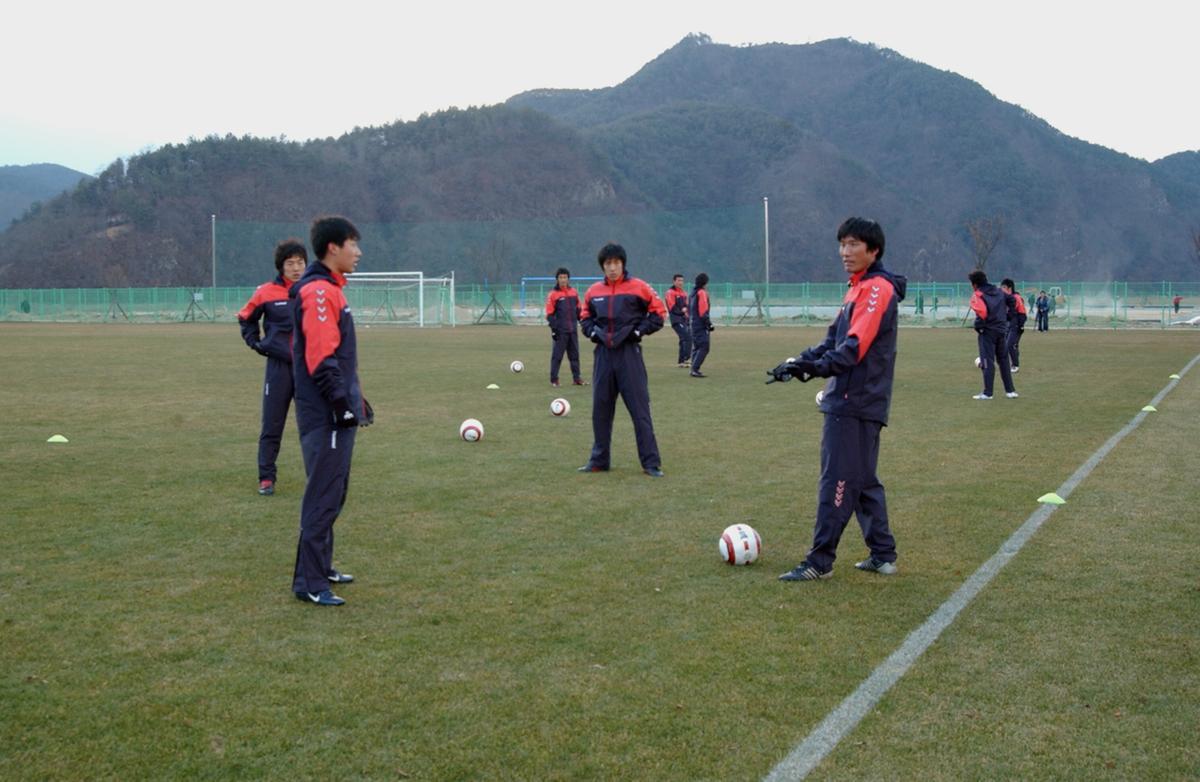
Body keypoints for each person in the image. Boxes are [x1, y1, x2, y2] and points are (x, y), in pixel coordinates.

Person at [768, 217, 905, 582]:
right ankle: (882, 553)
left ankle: (820, 561)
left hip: (855, 401)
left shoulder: (876, 289)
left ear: (873, 250)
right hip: (851, 399)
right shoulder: (855, 289)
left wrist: (815, 369)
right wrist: (798, 362)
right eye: (842, 244)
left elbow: (853, 349)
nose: (845, 252)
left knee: (837, 481)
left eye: (854, 244)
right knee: (861, 480)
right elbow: (832, 342)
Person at [289, 216, 373, 606]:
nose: (358, 252)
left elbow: (338, 356)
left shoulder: (331, 289)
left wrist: (356, 397)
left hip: (333, 407)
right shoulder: (320, 292)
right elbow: (321, 357)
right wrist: (340, 405)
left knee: (333, 492)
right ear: (333, 248)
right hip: (325, 413)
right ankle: (309, 582)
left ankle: (321, 567)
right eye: (353, 244)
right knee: (324, 494)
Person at [578, 243, 668, 478]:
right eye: (608, 264)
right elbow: (585, 319)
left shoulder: (639, 287)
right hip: (603, 357)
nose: (613, 268)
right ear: (602, 266)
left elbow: (659, 313)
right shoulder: (593, 292)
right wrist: (592, 333)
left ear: (623, 264)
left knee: (640, 410)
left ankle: (651, 463)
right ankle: (599, 460)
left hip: (629, 355)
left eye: (616, 263)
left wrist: (638, 332)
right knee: (601, 410)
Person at [237, 239, 307, 496]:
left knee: (310, 425)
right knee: (272, 424)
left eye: (300, 262)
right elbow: (245, 318)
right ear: (281, 266)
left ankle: (316, 476)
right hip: (278, 368)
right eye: (290, 263)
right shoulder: (266, 292)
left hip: (308, 370)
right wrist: (256, 343)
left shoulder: (313, 291)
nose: (296, 268)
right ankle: (266, 478)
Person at [969, 269, 1017, 400]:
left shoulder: (978, 295)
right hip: (1001, 329)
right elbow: (1013, 299)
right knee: (1003, 360)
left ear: (974, 284)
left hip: (988, 331)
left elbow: (982, 313)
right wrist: (1008, 316)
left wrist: (978, 326)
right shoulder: (999, 291)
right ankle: (1010, 391)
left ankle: (987, 392)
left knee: (987, 360)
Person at [545, 267, 586, 387]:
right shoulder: (553, 294)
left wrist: (583, 322)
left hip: (572, 330)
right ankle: (554, 380)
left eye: (565, 277)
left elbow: (579, 311)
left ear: (568, 279)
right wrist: (554, 329)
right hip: (560, 331)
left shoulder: (574, 292)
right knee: (557, 357)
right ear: (557, 279)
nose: (563, 280)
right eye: (561, 277)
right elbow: (549, 315)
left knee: (574, 356)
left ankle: (577, 379)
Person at [688, 273, 714, 377]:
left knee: (697, 347)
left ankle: (693, 369)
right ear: (705, 282)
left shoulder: (692, 293)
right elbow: (703, 311)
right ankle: (695, 369)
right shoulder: (702, 293)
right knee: (704, 347)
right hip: (700, 324)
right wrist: (709, 324)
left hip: (693, 323)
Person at [1000, 278, 1027, 372]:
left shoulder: (1016, 297)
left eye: (1004, 287)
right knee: (1006, 345)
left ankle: (1015, 366)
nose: (1002, 289)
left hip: (1016, 324)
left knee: (1010, 345)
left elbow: (1022, 312)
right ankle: (1009, 363)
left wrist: (1021, 325)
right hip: (1008, 325)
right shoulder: (1004, 299)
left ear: (1009, 288)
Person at [664, 273, 691, 367]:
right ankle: (686, 359)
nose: (680, 282)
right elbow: (672, 307)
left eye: (682, 280)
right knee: (687, 337)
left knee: (683, 339)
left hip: (684, 320)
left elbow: (687, 307)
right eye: (678, 280)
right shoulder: (670, 292)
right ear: (674, 281)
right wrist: (681, 311)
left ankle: (681, 361)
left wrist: (687, 317)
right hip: (676, 320)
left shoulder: (684, 293)